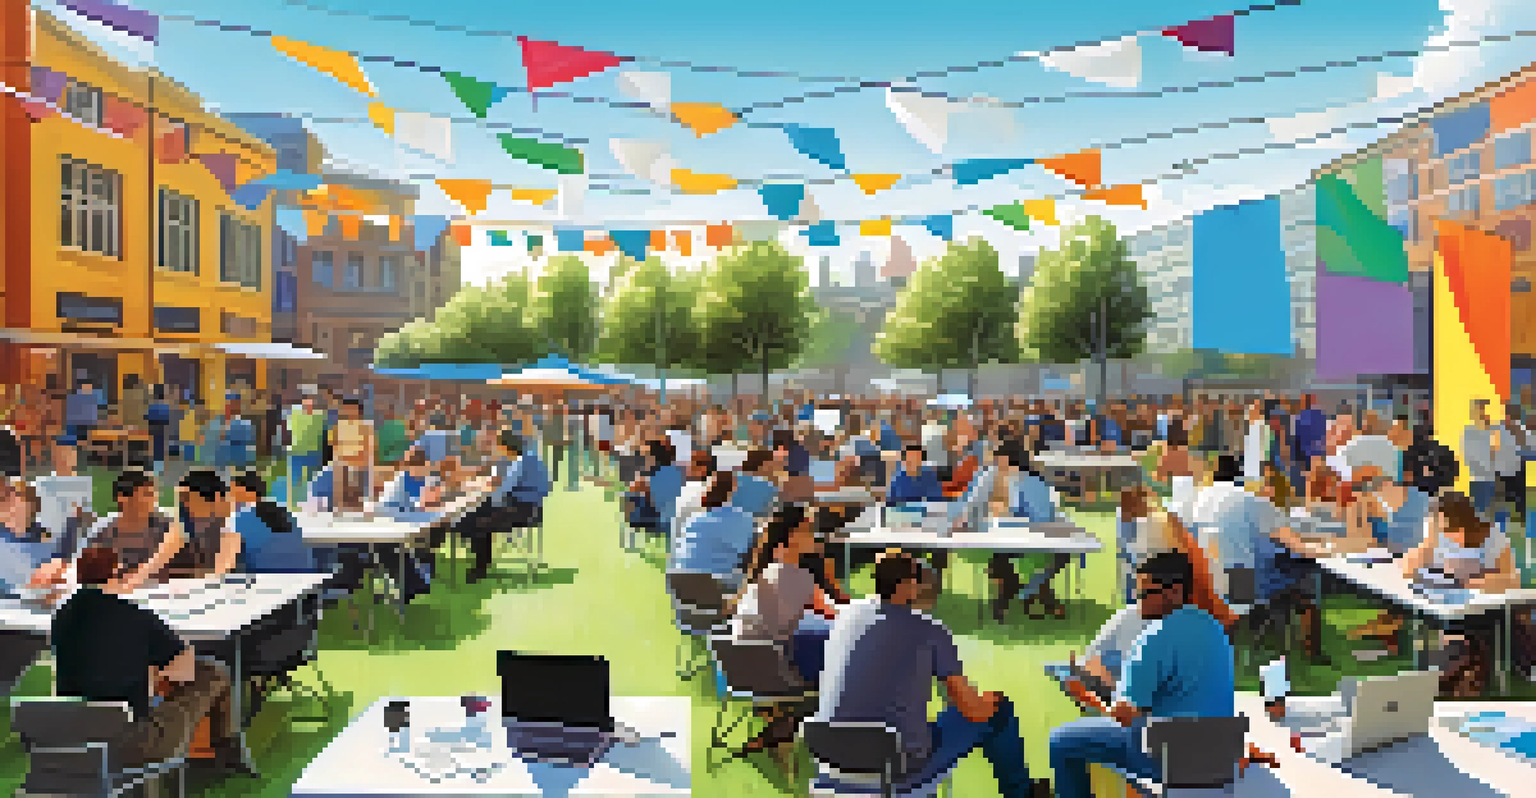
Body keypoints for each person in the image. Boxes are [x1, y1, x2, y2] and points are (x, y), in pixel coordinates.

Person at [817, 551, 1043, 797]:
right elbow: (972, 709)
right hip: (896, 767)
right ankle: (1022, 793)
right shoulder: (929, 630)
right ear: (910, 586)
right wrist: (992, 700)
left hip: (831, 760)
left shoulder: (846, 616)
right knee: (999, 711)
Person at [1049, 552, 1235, 798]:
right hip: (1219, 755)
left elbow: (1122, 718)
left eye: (1146, 594)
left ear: (1175, 592)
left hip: (1170, 760)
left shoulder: (1153, 637)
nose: (1139, 603)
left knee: (1061, 742)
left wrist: (1085, 696)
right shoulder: (1213, 627)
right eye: (1137, 594)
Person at [51, 547, 252, 773]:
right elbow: (185, 671)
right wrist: (157, 677)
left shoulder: (62, 615)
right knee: (215, 674)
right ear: (117, 573)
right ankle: (226, 753)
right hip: (132, 743)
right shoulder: (136, 616)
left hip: (74, 736)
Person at [1402, 491, 1517, 696]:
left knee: (1460, 632)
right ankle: (1450, 677)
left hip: (1480, 608)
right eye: (1438, 524)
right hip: (1444, 604)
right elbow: (1408, 569)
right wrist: (1429, 541)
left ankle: (1461, 676)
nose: (1444, 531)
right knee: (1443, 629)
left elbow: (1511, 579)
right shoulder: (1437, 537)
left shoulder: (1490, 536)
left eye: (1445, 525)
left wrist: (1472, 582)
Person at [730, 504, 839, 684]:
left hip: (743, 672)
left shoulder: (761, 576)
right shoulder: (797, 577)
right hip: (778, 675)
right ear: (790, 537)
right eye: (808, 529)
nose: (814, 535)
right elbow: (835, 617)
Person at [462, 430, 550, 583]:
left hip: (522, 510)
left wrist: (480, 490)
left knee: (479, 523)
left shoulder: (520, 462)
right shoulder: (533, 457)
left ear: (507, 447)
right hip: (534, 508)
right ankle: (481, 562)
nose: (498, 450)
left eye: (499, 446)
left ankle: (480, 568)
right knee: (481, 513)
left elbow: (503, 490)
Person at [671, 471, 755, 591]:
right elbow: (749, 557)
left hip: (680, 587)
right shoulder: (743, 519)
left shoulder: (693, 520)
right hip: (714, 589)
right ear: (733, 490)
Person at [230, 472, 314, 573]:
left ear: (248, 493)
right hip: (304, 574)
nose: (232, 499)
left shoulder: (242, 518)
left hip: (265, 576)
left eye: (235, 493)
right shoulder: (285, 513)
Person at [169, 471, 242, 579]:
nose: (183, 504)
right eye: (181, 498)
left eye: (186, 497)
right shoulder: (181, 530)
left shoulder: (231, 530)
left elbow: (219, 575)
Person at [330, 397, 375, 511]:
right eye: (347, 409)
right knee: (341, 491)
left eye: (352, 409)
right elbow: (333, 443)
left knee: (357, 491)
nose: (349, 412)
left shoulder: (365, 426)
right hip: (342, 463)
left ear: (359, 411)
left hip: (359, 463)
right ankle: (340, 510)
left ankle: (356, 510)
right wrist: (339, 458)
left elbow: (369, 446)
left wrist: (362, 460)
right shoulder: (338, 426)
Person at [285, 390, 327, 505]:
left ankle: (310, 503)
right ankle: (293, 503)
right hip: (296, 451)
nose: (309, 402)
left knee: (313, 479)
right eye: (307, 399)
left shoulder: (320, 416)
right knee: (295, 479)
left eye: (311, 399)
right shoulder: (294, 414)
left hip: (313, 452)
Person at [1463, 400, 1500, 514]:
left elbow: (1496, 452)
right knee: (1478, 511)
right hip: (1477, 478)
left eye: (1482, 409)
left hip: (1490, 478)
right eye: (1478, 410)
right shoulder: (1469, 432)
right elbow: (1468, 457)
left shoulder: (1493, 430)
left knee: (1490, 512)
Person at [731, 448, 780, 518]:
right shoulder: (769, 487)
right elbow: (770, 513)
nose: (774, 467)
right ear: (764, 464)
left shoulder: (736, 478)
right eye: (772, 463)